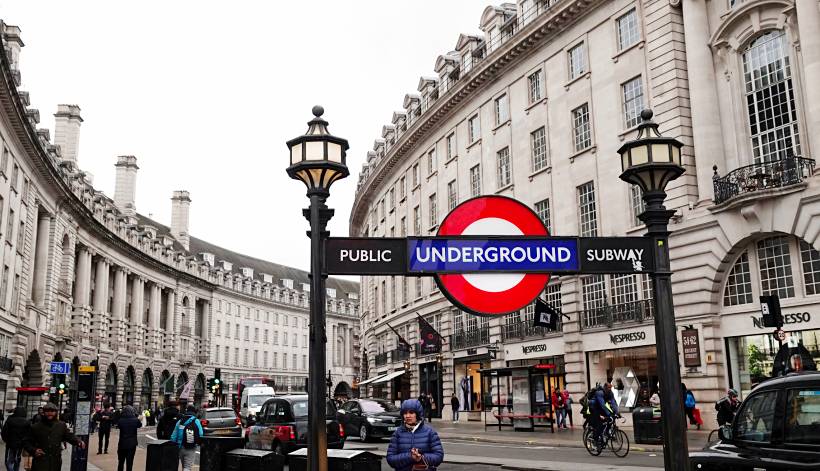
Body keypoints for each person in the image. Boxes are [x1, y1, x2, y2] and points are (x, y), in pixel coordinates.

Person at [24, 403, 85, 471]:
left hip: (55, 461)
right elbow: (26, 442)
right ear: (43, 412)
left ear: (56, 412)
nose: (50, 413)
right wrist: (33, 450)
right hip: (40, 461)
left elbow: (68, 435)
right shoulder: (35, 427)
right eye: (47, 411)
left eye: (52, 411)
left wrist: (77, 441)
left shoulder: (61, 425)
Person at [386, 399, 444, 471]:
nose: (407, 416)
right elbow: (390, 459)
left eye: (411, 412)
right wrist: (410, 457)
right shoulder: (397, 433)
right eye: (405, 413)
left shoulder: (430, 432)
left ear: (418, 414)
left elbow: (438, 456)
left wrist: (421, 458)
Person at [170, 405, 204, 471]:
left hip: (180, 447)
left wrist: (173, 446)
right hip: (191, 447)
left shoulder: (180, 421)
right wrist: (198, 443)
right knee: (187, 467)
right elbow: (201, 434)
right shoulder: (196, 421)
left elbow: (173, 435)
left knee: (184, 466)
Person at [2, 407, 31, 471]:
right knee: (17, 460)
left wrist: (6, 440)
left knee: (8, 460)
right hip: (20, 444)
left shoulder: (9, 420)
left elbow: (4, 432)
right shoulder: (27, 422)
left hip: (10, 444)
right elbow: (29, 434)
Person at [116, 406, 141, 471]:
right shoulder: (135, 420)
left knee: (121, 462)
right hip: (132, 444)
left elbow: (118, 426)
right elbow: (140, 425)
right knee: (130, 462)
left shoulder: (121, 420)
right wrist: (136, 416)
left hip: (122, 443)